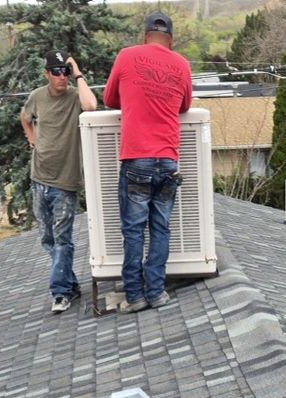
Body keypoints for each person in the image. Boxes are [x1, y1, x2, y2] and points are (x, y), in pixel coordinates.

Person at [101, 12, 192, 312]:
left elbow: (110, 100)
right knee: (161, 228)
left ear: (144, 36)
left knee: (133, 230)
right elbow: (184, 105)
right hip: (167, 161)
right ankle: (156, 293)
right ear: (171, 40)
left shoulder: (127, 57)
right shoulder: (181, 64)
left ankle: (135, 297)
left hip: (136, 159)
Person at [21, 53, 98, 313]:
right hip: (38, 178)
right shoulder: (37, 96)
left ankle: (60, 293)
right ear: (46, 74)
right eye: (56, 71)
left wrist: (78, 71)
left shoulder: (75, 96)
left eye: (64, 71)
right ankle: (71, 285)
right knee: (48, 239)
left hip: (65, 182)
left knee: (63, 239)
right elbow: (25, 116)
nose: (61, 76)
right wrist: (31, 138)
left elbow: (91, 106)